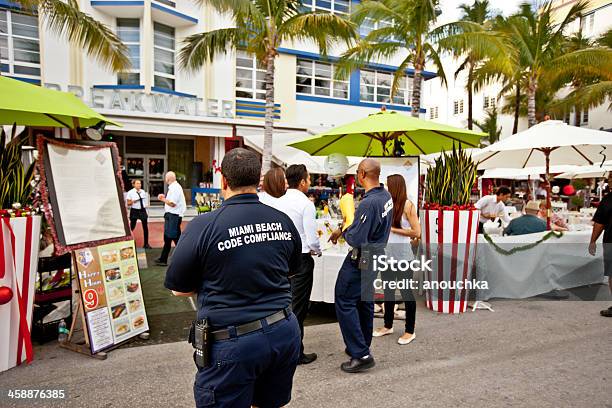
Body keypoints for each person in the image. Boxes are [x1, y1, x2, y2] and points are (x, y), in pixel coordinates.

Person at [164, 148, 302, 407]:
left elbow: (179, 289)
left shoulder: (204, 225)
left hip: (233, 343)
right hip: (283, 332)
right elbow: (291, 271)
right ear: (257, 180)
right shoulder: (282, 221)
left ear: (223, 181)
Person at [329, 159, 393, 373]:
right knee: (363, 300)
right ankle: (362, 345)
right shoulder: (385, 196)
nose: (356, 175)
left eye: (357, 172)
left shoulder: (369, 203)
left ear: (363, 174)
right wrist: (346, 225)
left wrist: (346, 228)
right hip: (375, 254)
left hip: (362, 256)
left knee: (344, 299)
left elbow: (356, 237)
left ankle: (361, 353)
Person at [276, 164, 321, 365]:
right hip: (301, 260)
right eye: (309, 179)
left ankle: (282, 348)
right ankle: (295, 352)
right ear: (302, 181)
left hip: (280, 258)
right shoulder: (306, 204)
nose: (310, 182)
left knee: (282, 304)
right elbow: (312, 238)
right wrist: (318, 250)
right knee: (298, 308)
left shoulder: (279, 202)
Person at [373, 174, 421, 345]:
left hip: (403, 256)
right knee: (388, 291)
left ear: (395, 186)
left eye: (387, 185)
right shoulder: (386, 204)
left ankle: (410, 330)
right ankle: (388, 325)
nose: (385, 188)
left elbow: (416, 232)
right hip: (386, 255)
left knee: (407, 293)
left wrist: (393, 229)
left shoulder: (408, 205)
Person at [589, 181, 612, 317]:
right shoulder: (608, 199)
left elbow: (599, 223)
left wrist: (593, 241)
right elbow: (600, 222)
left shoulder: (608, 200)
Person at [155, 171, 186, 266]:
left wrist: (162, 199)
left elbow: (172, 203)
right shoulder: (174, 187)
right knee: (168, 238)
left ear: (168, 179)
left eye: (165, 177)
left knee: (174, 238)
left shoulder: (175, 188)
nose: (164, 179)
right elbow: (171, 202)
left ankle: (184, 258)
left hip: (174, 216)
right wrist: (165, 198)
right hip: (172, 216)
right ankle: (163, 259)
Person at [126, 179, 151, 249]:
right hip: (134, 211)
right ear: (133, 185)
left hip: (142, 210)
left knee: (145, 228)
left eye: (140, 183)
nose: (139, 185)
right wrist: (135, 200)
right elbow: (128, 203)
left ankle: (146, 244)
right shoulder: (130, 192)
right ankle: (127, 241)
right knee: (132, 227)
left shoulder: (142, 191)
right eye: (137, 183)